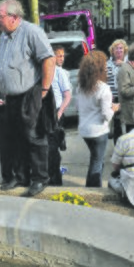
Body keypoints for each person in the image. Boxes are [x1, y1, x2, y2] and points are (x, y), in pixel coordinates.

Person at [0, 0, 56, 197]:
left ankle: (40, 178)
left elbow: (49, 59)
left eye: (0, 16)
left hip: (31, 93)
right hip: (10, 97)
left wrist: (44, 90)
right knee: (15, 138)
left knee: (34, 137)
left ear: (14, 17)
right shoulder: (4, 36)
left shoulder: (32, 32)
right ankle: (20, 176)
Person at [78, 50, 120, 187]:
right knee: (97, 162)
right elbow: (106, 115)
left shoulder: (81, 86)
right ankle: (94, 190)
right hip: (98, 131)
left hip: (84, 130)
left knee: (94, 160)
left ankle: (89, 187)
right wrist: (114, 109)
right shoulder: (104, 88)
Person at [48, 45, 72, 186]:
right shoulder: (49, 71)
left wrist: (60, 112)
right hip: (48, 111)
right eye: (59, 55)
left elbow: (67, 96)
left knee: (54, 146)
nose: (61, 58)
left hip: (56, 111)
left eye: (63, 56)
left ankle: (56, 177)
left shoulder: (60, 73)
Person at [107, 39, 128, 143]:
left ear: (125, 50)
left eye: (121, 48)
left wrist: (124, 65)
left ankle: (129, 148)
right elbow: (105, 81)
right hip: (114, 98)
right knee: (117, 125)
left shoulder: (129, 64)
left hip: (127, 97)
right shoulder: (107, 64)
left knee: (129, 124)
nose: (119, 51)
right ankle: (118, 149)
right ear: (112, 51)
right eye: (116, 48)